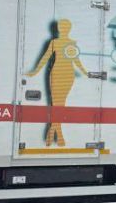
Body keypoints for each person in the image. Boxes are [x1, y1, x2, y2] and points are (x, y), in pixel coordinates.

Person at [26, 19, 88, 147]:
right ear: (59, 28)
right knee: (57, 105)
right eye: (61, 27)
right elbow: (45, 57)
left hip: (68, 75)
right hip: (56, 74)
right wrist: (35, 71)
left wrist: (86, 72)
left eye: (65, 27)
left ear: (69, 29)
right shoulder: (54, 42)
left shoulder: (72, 43)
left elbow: (76, 61)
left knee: (60, 105)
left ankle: (52, 132)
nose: (63, 29)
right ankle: (58, 135)